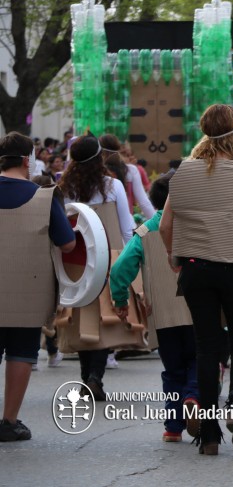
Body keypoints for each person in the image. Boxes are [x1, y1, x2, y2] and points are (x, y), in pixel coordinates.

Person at [160, 104, 233, 455]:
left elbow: (165, 227)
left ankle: (208, 435)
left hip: (196, 268)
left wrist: (175, 256)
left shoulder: (184, 172)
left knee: (206, 346)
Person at [109, 171, 199, 443]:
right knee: (199, 360)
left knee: (172, 369)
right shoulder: (197, 226)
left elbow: (120, 270)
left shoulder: (146, 231)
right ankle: (194, 396)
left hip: (161, 313)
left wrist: (121, 302)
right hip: (198, 310)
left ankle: (172, 428)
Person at [0, 132, 75, 441]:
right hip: (27, 291)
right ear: (27, 160)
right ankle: (9, 421)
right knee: (21, 353)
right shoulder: (44, 196)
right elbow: (68, 244)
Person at [58, 135, 135, 399]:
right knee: (104, 320)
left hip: (76, 261)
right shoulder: (112, 186)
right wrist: (131, 263)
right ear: (100, 157)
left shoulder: (64, 188)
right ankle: (95, 377)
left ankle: (85, 378)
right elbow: (126, 228)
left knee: (81, 321)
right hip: (109, 256)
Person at [100, 134, 155, 220]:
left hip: (99, 226)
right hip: (126, 225)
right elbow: (144, 203)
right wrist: (158, 224)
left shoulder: (95, 172)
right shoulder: (130, 170)